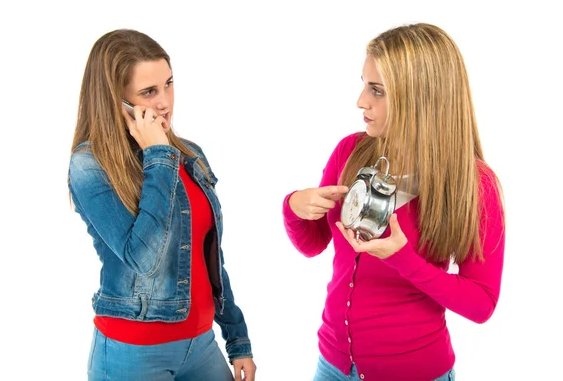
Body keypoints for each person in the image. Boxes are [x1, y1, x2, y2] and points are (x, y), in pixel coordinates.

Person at [282, 23, 505, 381]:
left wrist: (405, 261)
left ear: (420, 98)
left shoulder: (475, 185)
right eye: (364, 84)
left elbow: (481, 304)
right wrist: (294, 206)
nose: (360, 101)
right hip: (333, 366)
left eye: (377, 91)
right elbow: (312, 244)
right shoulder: (351, 152)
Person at [68, 29, 256, 381]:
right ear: (116, 101)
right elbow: (144, 259)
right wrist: (157, 154)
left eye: (169, 84)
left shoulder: (190, 155)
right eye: (149, 92)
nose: (165, 101)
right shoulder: (90, 165)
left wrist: (237, 337)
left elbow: (210, 259)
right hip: (132, 353)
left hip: (200, 346)